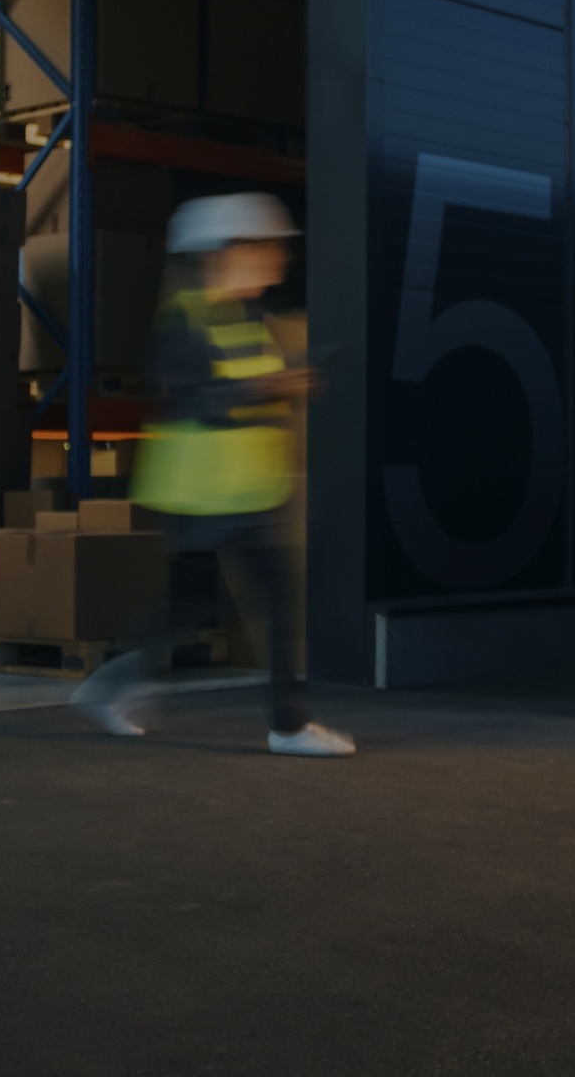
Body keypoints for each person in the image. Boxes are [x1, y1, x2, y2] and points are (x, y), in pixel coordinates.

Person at [71, 194, 354, 757]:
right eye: (265, 247)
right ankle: (288, 725)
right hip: (206, 491)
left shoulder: (249, 318)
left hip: (243, 488)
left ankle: (114, 684)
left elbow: (246, 396)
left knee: (196, 606)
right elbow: (200, 400)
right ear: (225, 253)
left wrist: (286, 388)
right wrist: (275, 387)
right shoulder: (186, 320)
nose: (278, 258)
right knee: (270, 596)